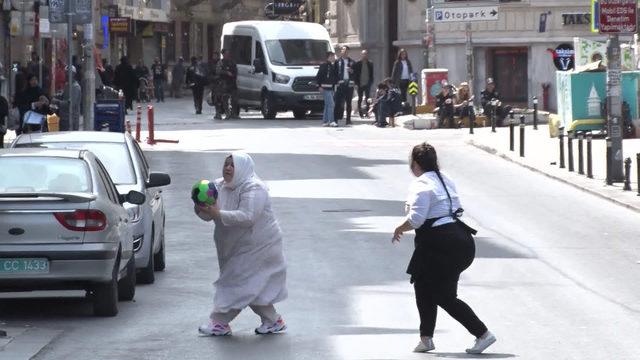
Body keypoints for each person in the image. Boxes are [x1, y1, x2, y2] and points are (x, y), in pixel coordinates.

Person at [393, 142, 496, 355]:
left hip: (441, 244)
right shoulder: (445, 178)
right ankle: (426, 338)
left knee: (443, 296)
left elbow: (417, 219)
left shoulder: (421, 184)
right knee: (422, 283)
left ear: (414, 164)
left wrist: (400, 228)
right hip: (459, 240)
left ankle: (483, 334)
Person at [194, 152, 288, 336]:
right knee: (254, 286)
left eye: (233, 165)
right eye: (226, 164)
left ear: (243, 168)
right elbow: (209, 214)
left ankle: (219, 322)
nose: (228, 168)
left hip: (259, 246)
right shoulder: (218, 186)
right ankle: (273, 321)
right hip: (232, 245)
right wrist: (201, 208)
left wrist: (217, 214)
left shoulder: (254, 188)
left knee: (236, 282)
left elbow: (247, 216)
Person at [53, 66, 82, 131]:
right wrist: (57, 95)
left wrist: (57, 102)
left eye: (68, 73)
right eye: (65, 73)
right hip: (64, 118)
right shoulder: (67, 85)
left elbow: (71, 103)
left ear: (73, 74)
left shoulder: (75, 87)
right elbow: (64, 96)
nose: (66, 75)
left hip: (71, 119)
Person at [315, 51, 339, 127]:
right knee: (332, 104)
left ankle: (325, 121)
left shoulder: (333, 65)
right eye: (333, 56)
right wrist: (319, 86)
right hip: (325, 88)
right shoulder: (324, 65)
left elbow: (334, 76)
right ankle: (331, 121)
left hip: (330, 88)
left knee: (327, 105)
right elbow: (318, 76)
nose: (334, 58)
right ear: (329, 57)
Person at [334, 45, 356, 125]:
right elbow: (334, 73)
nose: (344, 52)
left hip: (349, 84)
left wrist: (352, 71)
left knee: (349, 103)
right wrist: (336, 81)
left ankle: (348, 119)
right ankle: (335, 119)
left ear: (348, 52)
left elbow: (356, 73)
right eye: (343, 50)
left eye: (346, 50)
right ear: (341, 51)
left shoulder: (352, 62)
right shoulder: (337, 61)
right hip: (340, 84)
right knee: (338, 102)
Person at [216, 49, 239, 119]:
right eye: (226, 54)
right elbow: (218, 71)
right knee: (225, 99)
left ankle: (234, 113)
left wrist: (234, 75)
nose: (227, 55)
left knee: (234, 99)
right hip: (224, 83)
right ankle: (227, 113)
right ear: (223, 54)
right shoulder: (220, 62)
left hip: (232, 82)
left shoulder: (232, 62)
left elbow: (235, 70)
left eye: (228, 53)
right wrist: (226, 72)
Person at [353, 49, 374, 118]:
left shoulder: (370, 63)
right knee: (360, 98)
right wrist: (356, 83)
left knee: (368, 98)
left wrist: (371, 82)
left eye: (365, 54)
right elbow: (355, 74)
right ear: (361, 55)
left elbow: (371, 74)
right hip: (360, 83)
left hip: (367, 83)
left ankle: (367, 113)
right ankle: (360, 112)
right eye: (363, 54)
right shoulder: (358, 63)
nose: (364, 55)